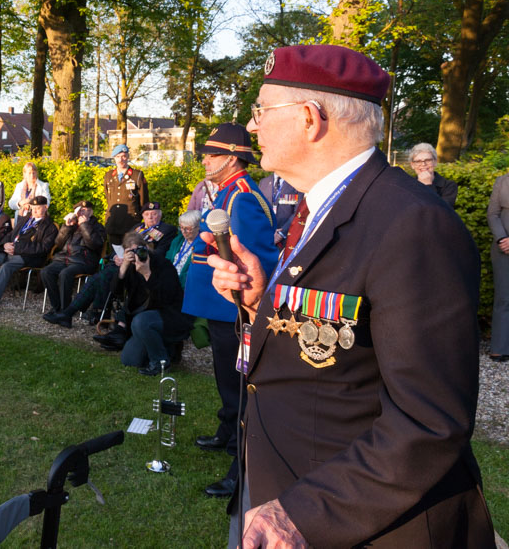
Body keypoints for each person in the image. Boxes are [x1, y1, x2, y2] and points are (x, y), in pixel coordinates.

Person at [207, 44, 494, 547]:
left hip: (357, 521)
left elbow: (429, 421)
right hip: (288, 487)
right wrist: (260, 304)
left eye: (260, 111)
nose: (251, 128)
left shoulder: (411, 224)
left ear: (310, 119)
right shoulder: (316, 208)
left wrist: (304, 513)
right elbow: (338, 344)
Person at [181, 123, 278, 501]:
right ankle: (226, 433)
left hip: (233, 311)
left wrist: (244, 308)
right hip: (217, 308)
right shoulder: (225, 193)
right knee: (226, 381)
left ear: (234, 157)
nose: (205, 159)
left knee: (240, 388)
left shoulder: (242, 198)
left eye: (213, 153)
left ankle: (241, 467)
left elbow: (255, 263)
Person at [45, 201, 176, 330]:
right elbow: (123, 245)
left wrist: (131, 258)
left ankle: (79, 313)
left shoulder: (167, 229)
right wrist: (114, 256)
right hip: (121, 264)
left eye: (154, 214)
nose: (151, 217)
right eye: (147, 214)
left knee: (100, 278)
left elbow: (158, 253)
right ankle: (86, 313)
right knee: (99, 278)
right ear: (143, 216)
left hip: (140, 267)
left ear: (160, 215)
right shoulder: (137, 228)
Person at [110, 232, 191, 374]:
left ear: (147, 247)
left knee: (142, 321)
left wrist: (147, 274)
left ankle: (160, 362)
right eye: (131, 252)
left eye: (140, 250)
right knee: (130, 360)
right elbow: (115, 291)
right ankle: (165, 348)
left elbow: (165, 299)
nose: (137, 255)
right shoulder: (131, 267)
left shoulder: (162, 264)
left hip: (169, 316)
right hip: (143, 320)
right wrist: (123, 267)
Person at [0, 195, 57, 314]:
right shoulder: (27, 219)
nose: (34, 210)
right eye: (32, 207)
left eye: (37, 208)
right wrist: (5, 244)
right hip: (10, 252)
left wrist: (17, 249)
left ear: (46, 207)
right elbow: (11, 234)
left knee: (7, 266)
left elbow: (43, 248)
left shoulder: (50, 227)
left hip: (29, 257)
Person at [40, 200, 106, 316]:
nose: (84, 213)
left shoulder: (97, 227)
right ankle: (57, 307)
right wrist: (66, 227)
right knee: (46, 271)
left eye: (88, 211)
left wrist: (84, 225)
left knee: (65, 274)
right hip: (64, 258)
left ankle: (65, 312)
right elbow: (58, 243)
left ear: (91, 212)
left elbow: (95, 244)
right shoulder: (72, 224)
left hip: (84, 261)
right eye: (81, 211)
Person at [103, 143, 149, 245]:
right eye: (118, 157)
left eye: (124, 156)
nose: (121, 159)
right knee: (115, 253)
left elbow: (144, 199)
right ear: (114, 158)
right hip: (113, 221)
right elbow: (108, 197)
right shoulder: (109, 175)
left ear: (128, 157)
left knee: (130, 251)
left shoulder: (137, 175)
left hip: (131, 222)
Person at [488, 171, 509, 363]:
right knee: (503, 297)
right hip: (504, 248)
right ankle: (499, 346)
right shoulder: (502, 181)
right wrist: (502, 238)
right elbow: (493, 214)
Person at [257, 173, 301, 248]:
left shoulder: (296, 181)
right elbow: (258, 209)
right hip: (265, 239)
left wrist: (282, 233)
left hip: (287, 239)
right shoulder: (263, 182)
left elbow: (298, 211)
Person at [410, 142, 458, 208]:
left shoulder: (449, 186)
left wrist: (428, 186)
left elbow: (441, 211)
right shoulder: (407, 185)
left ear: (435, 162)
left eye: (428, 160)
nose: (423, 164)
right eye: (418, 161)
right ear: (412, 165)